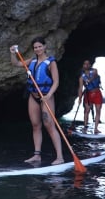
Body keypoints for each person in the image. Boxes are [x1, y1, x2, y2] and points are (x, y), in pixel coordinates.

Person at [9, 37, 64, 165]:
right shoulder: (32, 61)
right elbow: (16, 64)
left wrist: (49, 95)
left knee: (49, 125)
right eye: (35, 47)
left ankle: (60, 157)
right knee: (35, 125)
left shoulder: (51, 62)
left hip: (46, 96)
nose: (38, 49)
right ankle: (37, 155)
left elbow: (56, 81)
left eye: (40, 46)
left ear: (44, 47)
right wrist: (12, 53)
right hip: (33, 96)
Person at [78, 60, 103, 134]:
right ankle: (85, 127)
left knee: (98, 110)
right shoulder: (81, 77)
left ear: (90, 65)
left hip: (97, 93)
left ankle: (96, 129)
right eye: (85, 64)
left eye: (88, 64)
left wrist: (89, 80)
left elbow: (95, 76)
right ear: (83, 65)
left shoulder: (94, 71)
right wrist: (79, 98)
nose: (87, 65)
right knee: (87, 111)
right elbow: (80, 88)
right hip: (88, 94)